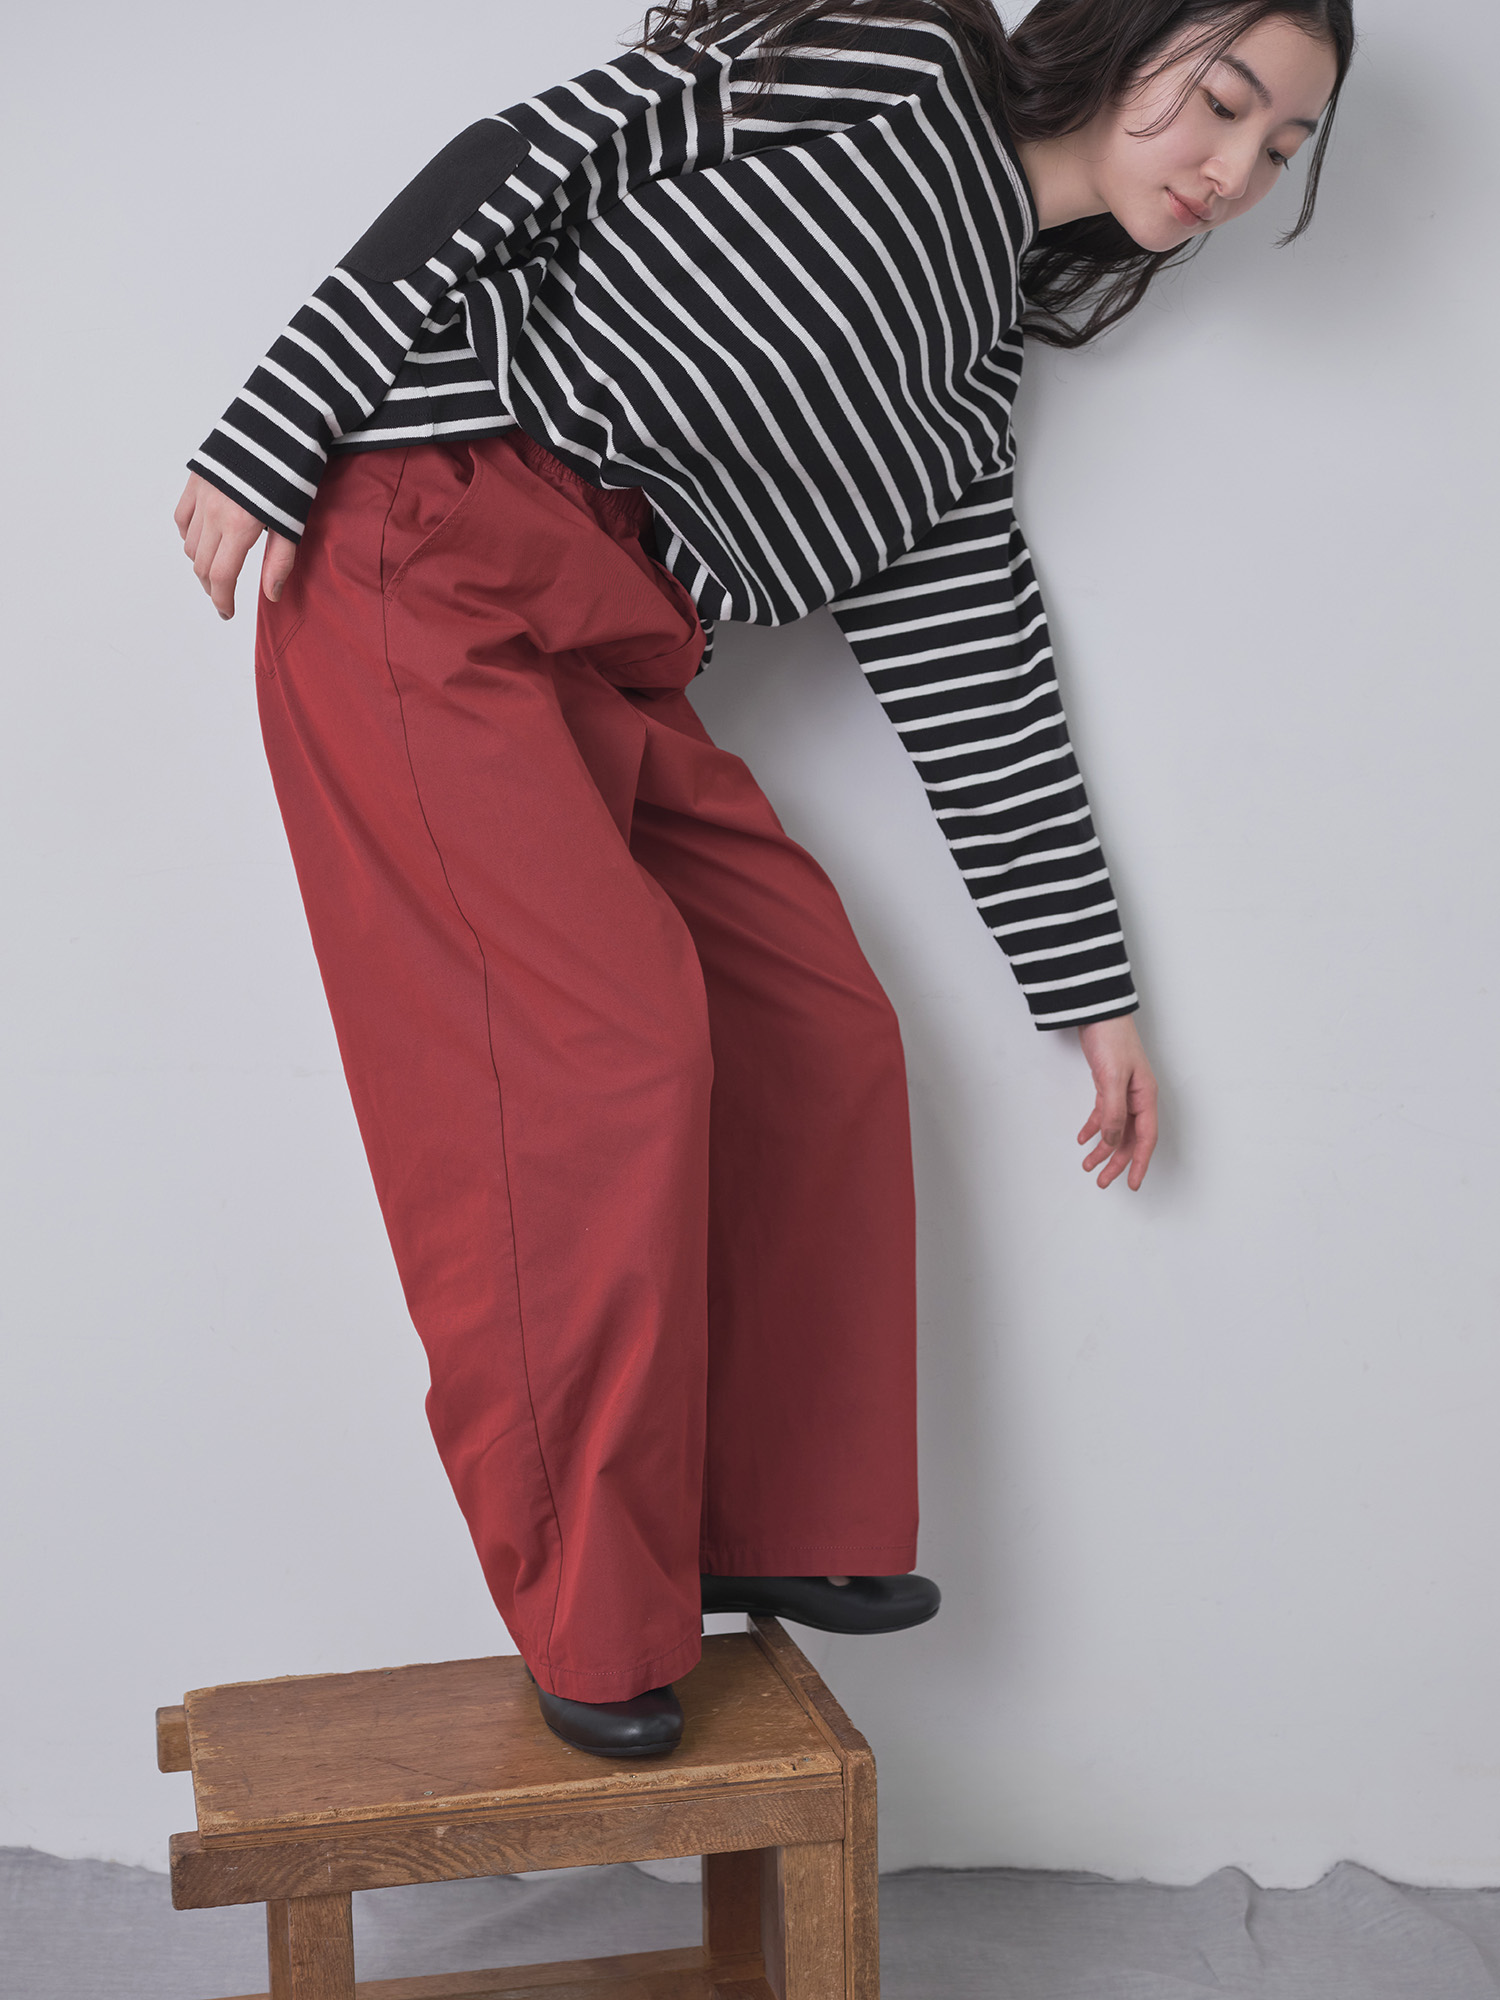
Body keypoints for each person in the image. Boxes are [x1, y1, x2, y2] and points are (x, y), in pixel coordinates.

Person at [173, 0, 1351, 1757]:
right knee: (608, 1062)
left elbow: (980, 682)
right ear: (1126, 33)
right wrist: (273, 422)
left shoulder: (967, 386)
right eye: (1227, 99)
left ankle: (769, 1516)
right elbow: (524, 156)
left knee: (817, 1024)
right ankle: (591, 1609)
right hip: (421, 545)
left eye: (1281, 149)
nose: (1233, 170)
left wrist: (1091, 995)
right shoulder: (895, 62)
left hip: (610, 646)